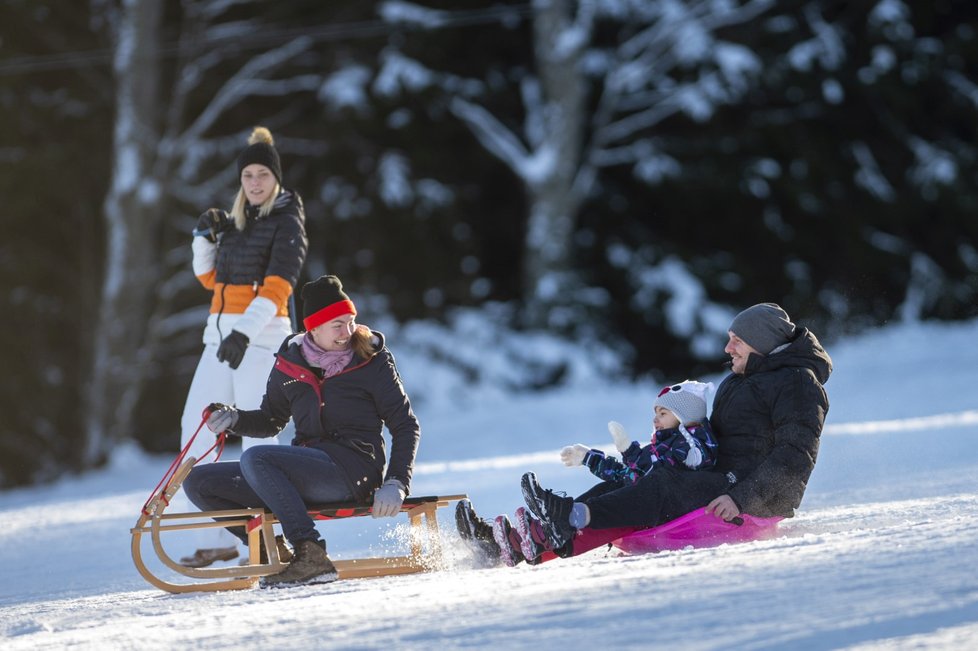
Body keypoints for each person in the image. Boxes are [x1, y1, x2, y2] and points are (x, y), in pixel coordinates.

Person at [457, 302, 831, 567]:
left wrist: (742, 497)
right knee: (636, 482)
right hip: (718, 476)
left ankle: (566, 518)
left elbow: (795, 455)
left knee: (662, 486)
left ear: (762, 342)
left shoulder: (798, 383)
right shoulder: (741, 379)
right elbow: (710, 436)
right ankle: (506, 541)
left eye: (737, 340)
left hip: (747, 494)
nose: (727, 348)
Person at [182, 274, 421, 588]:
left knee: (256, 458)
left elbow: (405, 425)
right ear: (314, 328)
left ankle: (310, 555)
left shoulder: (371, 362)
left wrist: (397, 482)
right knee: (200, 481)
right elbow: (271, 419)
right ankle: (271, 552)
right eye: (337, 325)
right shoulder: (290, 365)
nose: (347, 332)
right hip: (307, 469)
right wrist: (235, 419)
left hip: (354, 470)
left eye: (350, 322)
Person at [177, 126, 308, 568]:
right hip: (219, 340)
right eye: (248, 174)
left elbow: (277, 288)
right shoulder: (235, 222)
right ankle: (221, 537)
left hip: (260, 340)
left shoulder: (287, 218)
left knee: (258, 437)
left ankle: (270, 536)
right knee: (196, 428)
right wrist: (202, 240)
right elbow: (212, 280)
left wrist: (244, 333)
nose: (254, 182)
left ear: (276, 179)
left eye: (262, 175)